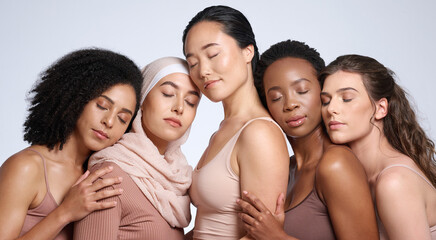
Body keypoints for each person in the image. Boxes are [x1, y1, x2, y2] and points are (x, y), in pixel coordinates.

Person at [236, 40, 379, 239]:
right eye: (276, 97)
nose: (290, 104)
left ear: (322, 92)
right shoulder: (285, 169)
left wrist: (278, 237)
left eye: (302, 90)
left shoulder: (336, 164)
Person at [0, 48, 143, 240]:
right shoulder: (27, 167)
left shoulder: (97, 173)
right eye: (102, 106)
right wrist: (65, 212)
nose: (109, 122)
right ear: (76, 98)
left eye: (122, 118)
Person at [182, 5, 290, 240]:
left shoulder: (259, 133)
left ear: (247, 52)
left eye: (212, 55)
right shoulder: (223, 131)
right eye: (193, 63)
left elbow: (259, 237)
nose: (203, 71)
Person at [73, 57, 201, 240]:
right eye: (168, 93)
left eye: (190, 102)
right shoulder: (109, 175)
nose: (179, 107)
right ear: (142, 98)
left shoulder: (178, 180)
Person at [319, 54, 436, 239]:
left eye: (347, 98)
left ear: (381, 108)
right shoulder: (353, 177)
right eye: (325, 101)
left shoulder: (394, 182)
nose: (331, 108)